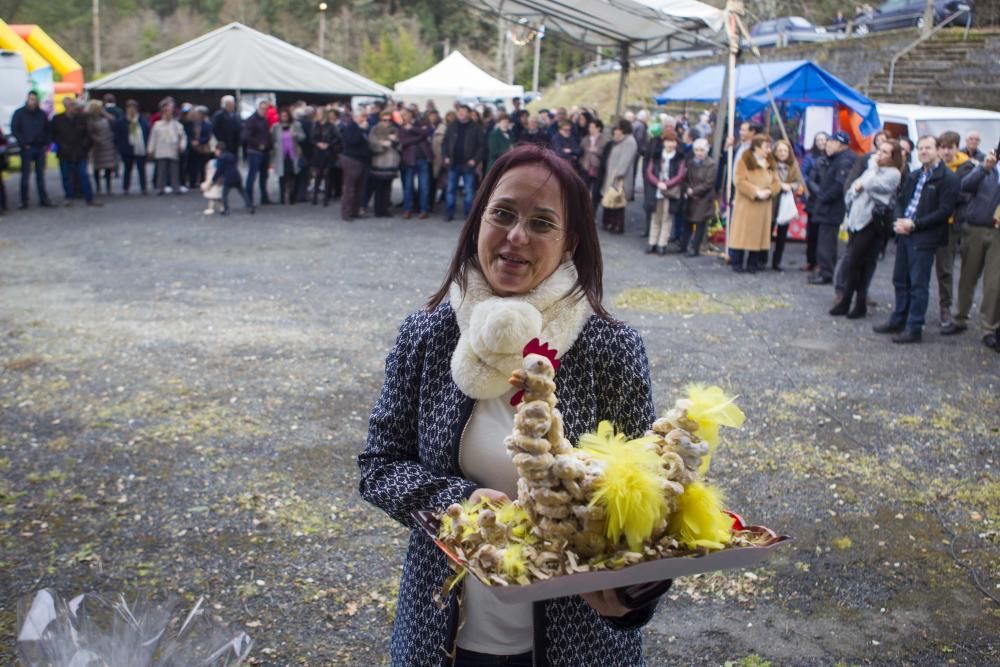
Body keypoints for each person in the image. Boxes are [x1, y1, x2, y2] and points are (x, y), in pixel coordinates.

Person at [358, 143, 666, 667]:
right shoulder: (427, 335)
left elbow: (651, 501)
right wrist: (459, 503)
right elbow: (379, 466)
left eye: (542, 223)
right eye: (502, 214)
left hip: (578, 642)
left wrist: (631, 597)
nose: (517, 236)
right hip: (446, 638)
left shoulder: (609, 347)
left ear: (570, 244)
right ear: (478, 220)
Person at [873, 135, 959, 344]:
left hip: (924, 236)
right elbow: (901, 200)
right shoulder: (914, 174)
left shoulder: (948, 178)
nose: (923, 152)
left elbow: (944, 211)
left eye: (928, 148)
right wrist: (899, 220)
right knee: (900, 279)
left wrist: (915, 224)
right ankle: (898, 319)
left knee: (918, 284)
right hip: (905, 233)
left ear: (937, 150)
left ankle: (914, 326)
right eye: (920, 148)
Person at [830, 140, 903, 318]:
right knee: (855, 263)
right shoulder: (873, 169)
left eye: (885, 152)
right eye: (879, 150)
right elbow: (855, 189)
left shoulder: (893, 174)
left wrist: (870, 174)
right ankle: (850, 302)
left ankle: (855, 301)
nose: (879, 154)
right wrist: (862, 185)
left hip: (873, 223)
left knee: (859, 263)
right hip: (857, 220)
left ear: (893, 157)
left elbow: (872, 185)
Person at [944, 148, 1000, 351]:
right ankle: (959, 318)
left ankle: (989, 327)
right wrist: (984, 168)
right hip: (975, 227)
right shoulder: (986, 169)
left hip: (998, 234)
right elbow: (964, 186)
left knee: (994, 283)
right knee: (968, 275)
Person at [934, 131, 976, 329]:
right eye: (942, 147)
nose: (946, 151)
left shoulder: (966, 167)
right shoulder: (934, 165)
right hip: (931, 220)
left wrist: (943, 196)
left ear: (957, 148)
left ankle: (945, 306)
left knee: (945, 267)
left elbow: (963, 194)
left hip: (950, 223)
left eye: (950, 147)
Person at [809, 131, 856, 285]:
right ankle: (825, 270)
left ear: (840, 144)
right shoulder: (837, 158)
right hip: (828, 206)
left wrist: (823, 198)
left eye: (831, 142)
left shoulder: (845, 160)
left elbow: (839, 185)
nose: (827, 145)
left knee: (826, 242)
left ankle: (826, 273)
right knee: (826, 240)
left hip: (831, 208)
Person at [729, 135, 781, 272]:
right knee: (742, 233)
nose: (769, 150)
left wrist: (770, 191)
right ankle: (737, 263)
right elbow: (739, 181)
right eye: (766, 147)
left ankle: (753, 264)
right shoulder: (744, 161)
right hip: (747, 203)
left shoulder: (770, 163)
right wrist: (755, 192)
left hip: (763, 206)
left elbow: (777, 182)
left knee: (758, 236)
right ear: (757, 147)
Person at [645, 128, 687, 255]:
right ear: (664, 142)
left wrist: (667, 184)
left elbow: (680, 175)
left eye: (673, 141)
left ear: (676, 143)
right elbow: (649, 171)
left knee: (667, 217)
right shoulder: (657, 155)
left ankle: (662, 244)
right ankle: (652, 242)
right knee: (655, 216)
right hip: (656, 190)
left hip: (670, 192)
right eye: (668, 141)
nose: (670, 144)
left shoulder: (680, 158)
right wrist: (658, 182)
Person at [51, 99, 98, 207]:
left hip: (80, 152)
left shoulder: (81, 119)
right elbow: (54, 135)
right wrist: (61, 146)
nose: (73, 107)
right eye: (71, 105)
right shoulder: (58, 119)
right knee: (66, 176)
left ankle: (89, 198)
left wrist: (84, 147)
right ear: (65, 106)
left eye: (73, 105)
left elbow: (88, 135)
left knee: (83, 175)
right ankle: (69, 197)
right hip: (64, 152)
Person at [442, 104, 485, 222]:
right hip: (453, 163)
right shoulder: (452, 126)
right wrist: (445, 156)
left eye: (463, 111)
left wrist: (474, 160)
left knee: (469, 191)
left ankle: (468, 215)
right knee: (450, 189)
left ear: (469, 113)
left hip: (468, 164)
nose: (461, 113)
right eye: (459, 111)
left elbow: (481, 147)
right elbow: (445, 143)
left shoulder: (475, 127)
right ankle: (449, 213)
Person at [11, 91, 54, 209]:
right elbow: (15, 129)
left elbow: (48, 129)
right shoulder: (20, 113)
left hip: (40, 147)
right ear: (27, 99)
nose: (33, 102)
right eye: (31, 99)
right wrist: (23, 143)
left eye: (35, 99)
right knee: (25, 175)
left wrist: (46, 143)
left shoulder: (41, 114)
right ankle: (24, 201)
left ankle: (43, 199)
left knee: (40, 175)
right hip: (27, 148)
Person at [770, 139, 806, 271]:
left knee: (782, 234)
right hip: (771, 201)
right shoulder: (770, 165)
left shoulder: (793, 166)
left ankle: (777, 261)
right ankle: (761, 258)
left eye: (785, 150)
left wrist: (789, 186)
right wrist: (779, 185)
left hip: (785, 202)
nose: (782, 153)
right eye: (780, 150)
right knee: (767, 232)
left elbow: (799, 183)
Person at [597, 119, 638, 234]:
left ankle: (617, 225)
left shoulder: (629, 142)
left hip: (619, 178)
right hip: (612, 175)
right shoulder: (621, 141)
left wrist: (618, 174)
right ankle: (610, 223)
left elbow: (625, 161)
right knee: (611, 200)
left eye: (618, 128)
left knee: (618, 201)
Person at [682, 138, 717, 257]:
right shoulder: (691, 162)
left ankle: (695, 248)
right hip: (691, 195)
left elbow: (709, 183)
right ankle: (684, 245)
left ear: (706, 150)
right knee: (687, 221)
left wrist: (694, 190)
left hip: (704, 197)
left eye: (701, 150)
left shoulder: (711, 164)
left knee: (699, 224)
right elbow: (686, 178)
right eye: (696, 150)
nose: (699, 153)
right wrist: (687, 188)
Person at [147, 101, 187, 195]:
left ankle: (175, 187)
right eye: (166, 111)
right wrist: (150, 149)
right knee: (161, 170)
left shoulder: (177, 125)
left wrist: (182, 146)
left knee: (174, 170)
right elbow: (153, 138)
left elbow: (183, 137)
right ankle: (160, 187)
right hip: (161, 150)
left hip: (173, 149)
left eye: (169, 111)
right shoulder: (157, 125)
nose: (168, 113)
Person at [398, 108, 432, 219]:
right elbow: (403, 141)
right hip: (409, 160)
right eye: (402, 115)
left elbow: (427, 132)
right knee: (408, 187)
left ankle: (424, 210)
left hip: (422, 159)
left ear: (411, 115)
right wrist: (419, 136)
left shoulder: (420, 124)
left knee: (424, 187)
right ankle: (408, 209)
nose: (404, 117)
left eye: (405, 114)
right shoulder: (401, 128)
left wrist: (412, 129)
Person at [338, 111, 370, 221]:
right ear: (356, 117)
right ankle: (346, 212)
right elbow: (353, 141)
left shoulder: (362, 128)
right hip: (352, 159)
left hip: (362, 160)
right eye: (363, 115)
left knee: (359, 188)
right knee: (349, 188)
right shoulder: (352, 127)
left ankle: (355, 211)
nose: (365, 118)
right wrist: (361, 130)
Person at [368, 110, 400, 218]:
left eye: (388, 120)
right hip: (379, 161)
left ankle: (385, 209)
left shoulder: (394, 129)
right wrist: (382, 144)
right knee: (379, 188)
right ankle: (378, 210)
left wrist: (394, 141)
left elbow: (400, 145)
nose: (387, 122)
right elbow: (371, 143)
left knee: (388, 187)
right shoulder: (375, 129)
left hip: (391, 162)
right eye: (384, 120)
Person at [113, 100, 149, 195]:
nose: (132, 110)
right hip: (127, 148)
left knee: (141, 168)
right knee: (127, 169)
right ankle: (126, 187)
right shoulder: (121, 121)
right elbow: (117, 135)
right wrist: (120, 146)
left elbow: (146, 132)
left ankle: (143, 187)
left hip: (140, 147)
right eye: (130, 108)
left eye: (134, 108)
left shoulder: (142, 120)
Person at [271, 108, 306, 205]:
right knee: (282, 176)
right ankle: (282, 198)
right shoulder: (276, 127)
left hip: (293, 155)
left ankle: (292, 197)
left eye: (285, 116)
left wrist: (296, 135)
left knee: (293, 176)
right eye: (282, 116)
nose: (284, 118)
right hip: (281, 156)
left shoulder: (295, 125)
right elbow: (273, 139)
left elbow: (303, 137)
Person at [242, 100, 274, 206]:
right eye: (262, 108)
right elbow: (246, 136)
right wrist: (258, 144)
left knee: (264, 176)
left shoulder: (264, 120)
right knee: (252, 176)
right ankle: (249, 200)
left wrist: (269, 146)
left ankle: (264, 198)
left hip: (264, 151)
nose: (264, 111)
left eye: (266, 109)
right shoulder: (251, 120)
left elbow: (267, 135)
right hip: (254, 151)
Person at [210, 142, 253, 215]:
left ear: (219, 150)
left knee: (224, 194)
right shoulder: (231, 155)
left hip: (228, 177)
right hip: (236, 176)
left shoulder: (221, 158)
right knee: (242, 192)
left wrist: (213, 180)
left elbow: (219, 170)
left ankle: (226, 209)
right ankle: (250, 206)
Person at [310, 108, 341, 207]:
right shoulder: (315, 125)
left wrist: (329, 144)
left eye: (319, 113)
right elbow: (312, 138)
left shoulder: (331, 126)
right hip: (318, 152)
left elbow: (337, 137)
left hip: (328, 153)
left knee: (328, 175)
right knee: (318, 175)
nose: (318, 115)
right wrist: (317, 143)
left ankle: (326, 198)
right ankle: (315, 197)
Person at [86, 100, 118, 196]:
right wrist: (96, 139)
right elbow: (89, 132)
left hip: (108, 145)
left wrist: (105, 113)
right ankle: (98, 188)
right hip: (97, 146)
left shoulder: (105, 118)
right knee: (97, 167)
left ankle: (108, 188)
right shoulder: (90, 120)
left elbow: (114, 120)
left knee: (108, 167)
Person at [580, 118, 607, 213]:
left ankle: (592, 213)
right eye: (589, 127)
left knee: (595, 193)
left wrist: (597, 151)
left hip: (597, 168)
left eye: (592, 127)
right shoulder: (585, 138)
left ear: (598, 128)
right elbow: (581, 151)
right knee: (584, 190)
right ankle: (582, 212)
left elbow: (605, 153)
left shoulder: (604, 140)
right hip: (586, 167)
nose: (590, 129)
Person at [185, 107, 213, 192]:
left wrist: (200, 141)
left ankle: (203, 182)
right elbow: (187, 134)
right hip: (192, 147)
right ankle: (192, 182)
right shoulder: (191, 124)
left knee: (203, 166)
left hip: (203, 147)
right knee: (192, 165)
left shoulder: (207, 124)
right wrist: (191, 141)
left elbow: (208, 136)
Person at [211, 95, 242, 160]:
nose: (232, 105)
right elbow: (214, 129)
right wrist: (220, 140)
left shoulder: (236, 115)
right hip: (223, 143)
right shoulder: (218, 115)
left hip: (234, 144)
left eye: (233, 103)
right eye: (230, 104)